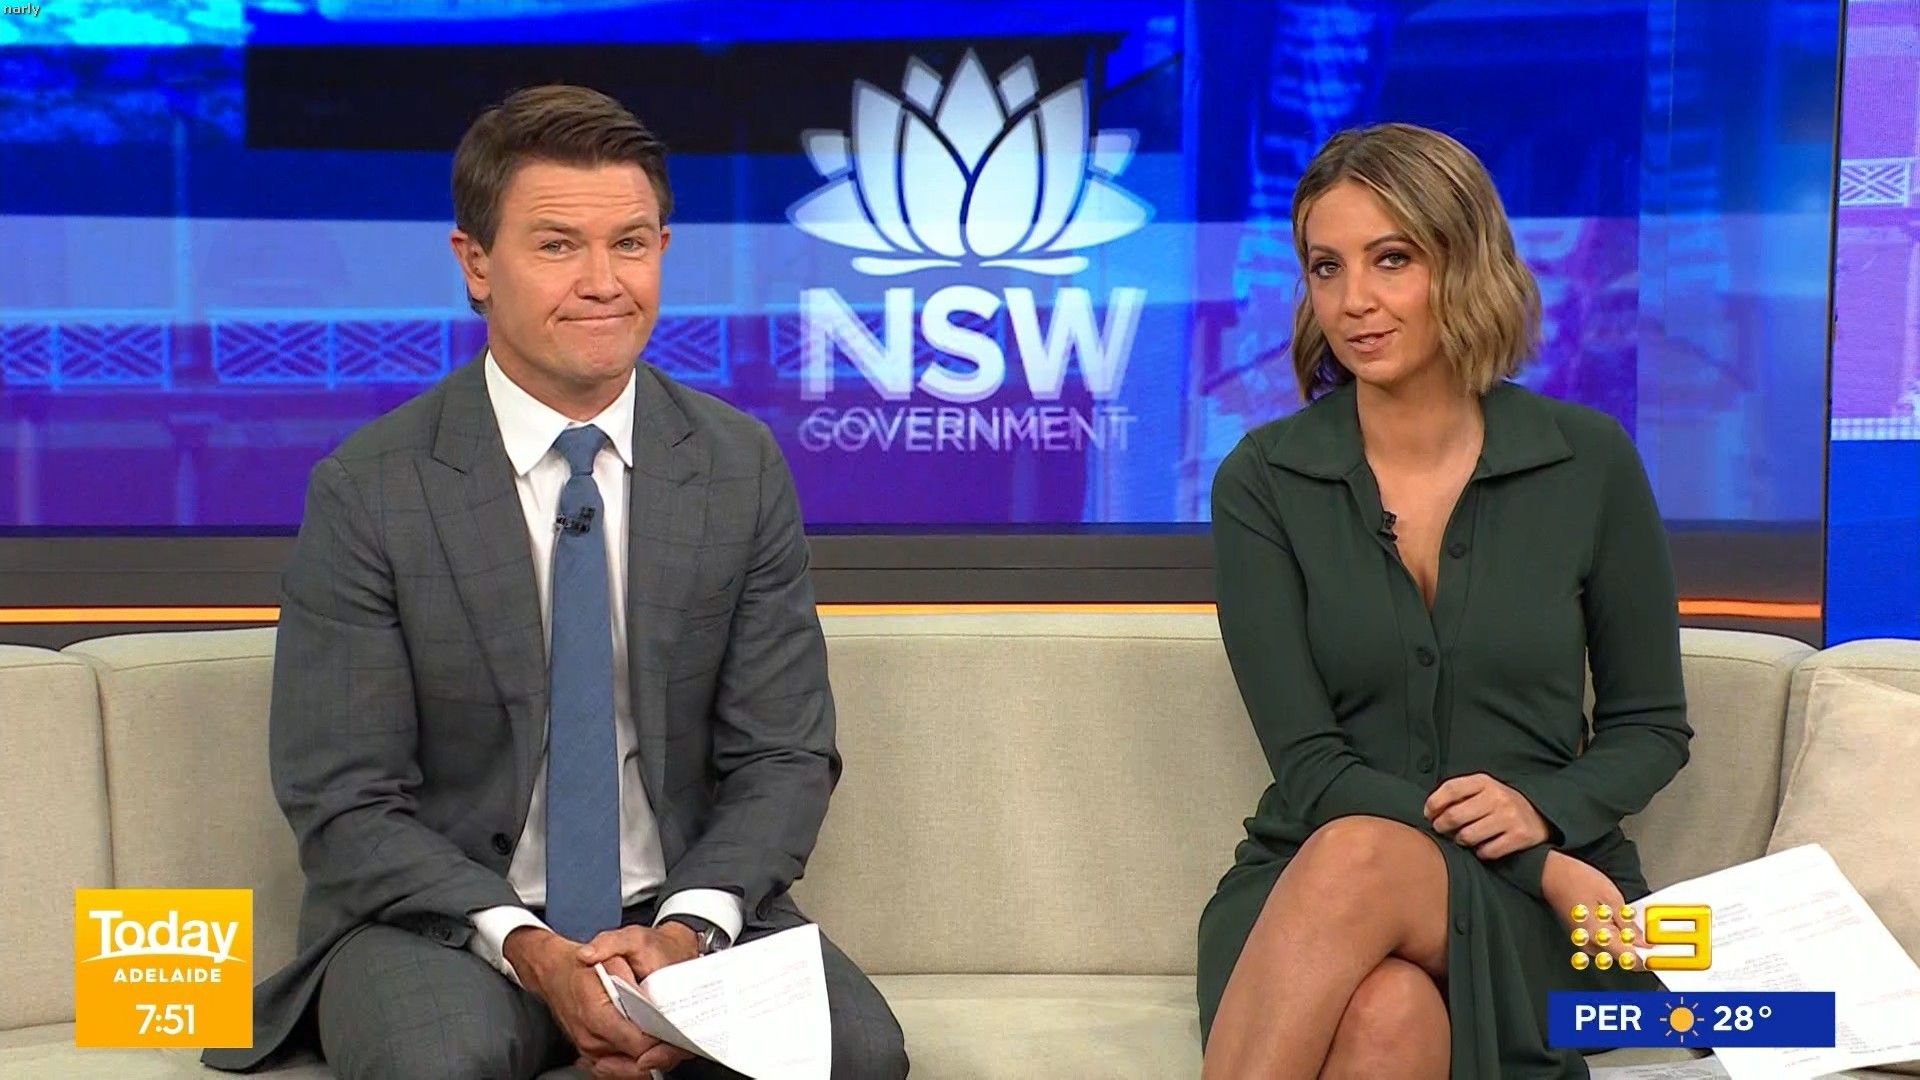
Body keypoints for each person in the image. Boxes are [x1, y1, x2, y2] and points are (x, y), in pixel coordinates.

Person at [202, 85, 909, 1080]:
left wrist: (680, 937)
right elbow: (344, 800)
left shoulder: (738, 466)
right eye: (556, 246)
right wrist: (533, 951)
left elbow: (783, 754)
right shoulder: (370, 488)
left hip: (675, 914)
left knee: (857, 1056)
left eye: (631, 244)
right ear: (475, 263)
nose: (603, 283)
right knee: (438, 1066)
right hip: (448, 924)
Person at [1195, 122, 1692, 1079]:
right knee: (1382, 1002)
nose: (1355, 301)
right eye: (1327, 268)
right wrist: (1538, 861)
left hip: (1545, 913)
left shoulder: (1588, 462)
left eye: (1392, 260)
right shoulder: (1264, 481)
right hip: (1315, 896)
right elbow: (1312, 767)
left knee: (1360, 866)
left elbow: (1650, 726)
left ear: (1465, 263)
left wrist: (1544, 816)